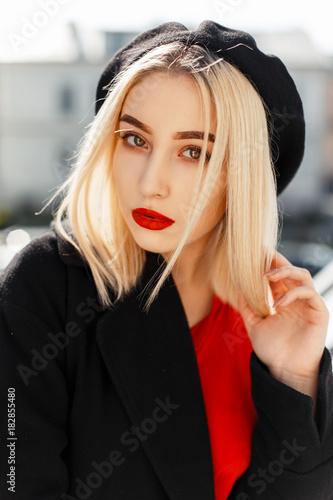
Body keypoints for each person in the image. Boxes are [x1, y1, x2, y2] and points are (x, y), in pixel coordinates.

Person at [0, 20, 332, 500]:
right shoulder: (47, 287)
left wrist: (294, 378)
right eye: (135, 139)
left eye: (193, 151)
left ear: (242, 174)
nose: (151, 182)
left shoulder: (270, 317)